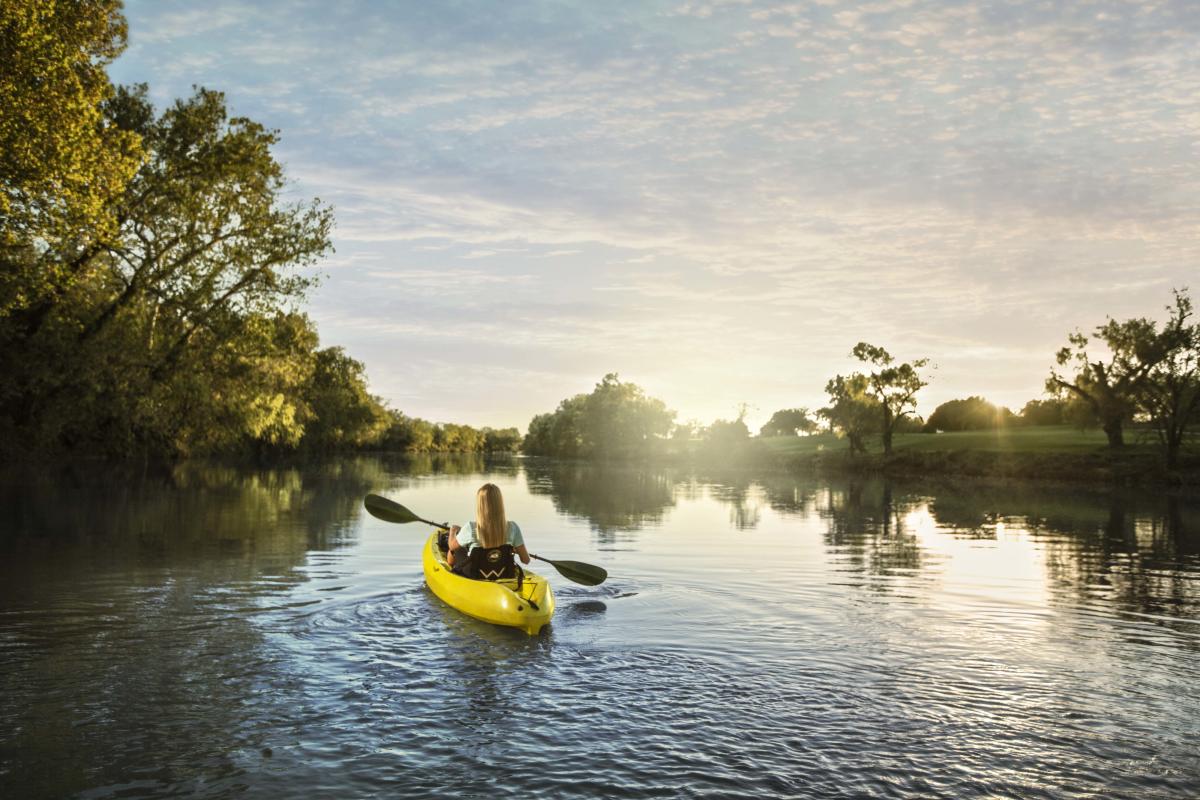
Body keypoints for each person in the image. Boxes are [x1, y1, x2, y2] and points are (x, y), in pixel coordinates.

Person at [446, 483, 530, 580]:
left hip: (475, 577)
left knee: (457, 548)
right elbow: (525, 560)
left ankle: (450, 571)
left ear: (480, 505)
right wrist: (515, 549)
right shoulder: (513, 528)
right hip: (504, 575)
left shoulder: (470, 528)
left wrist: (452, 531)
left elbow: (452, 546)